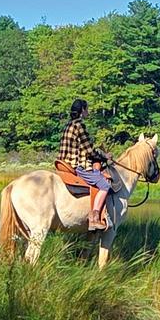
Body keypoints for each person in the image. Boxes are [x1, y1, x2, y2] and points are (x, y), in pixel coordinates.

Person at [59, 98, 112, 231]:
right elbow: (89, 150)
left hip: (64, 162)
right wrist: (104, 156)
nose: (88, 111)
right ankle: (94, 218)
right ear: (82, 110)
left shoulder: (69, 124)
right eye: (87, 109)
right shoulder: (79, 125)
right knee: (105, 185)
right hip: (77, 165)